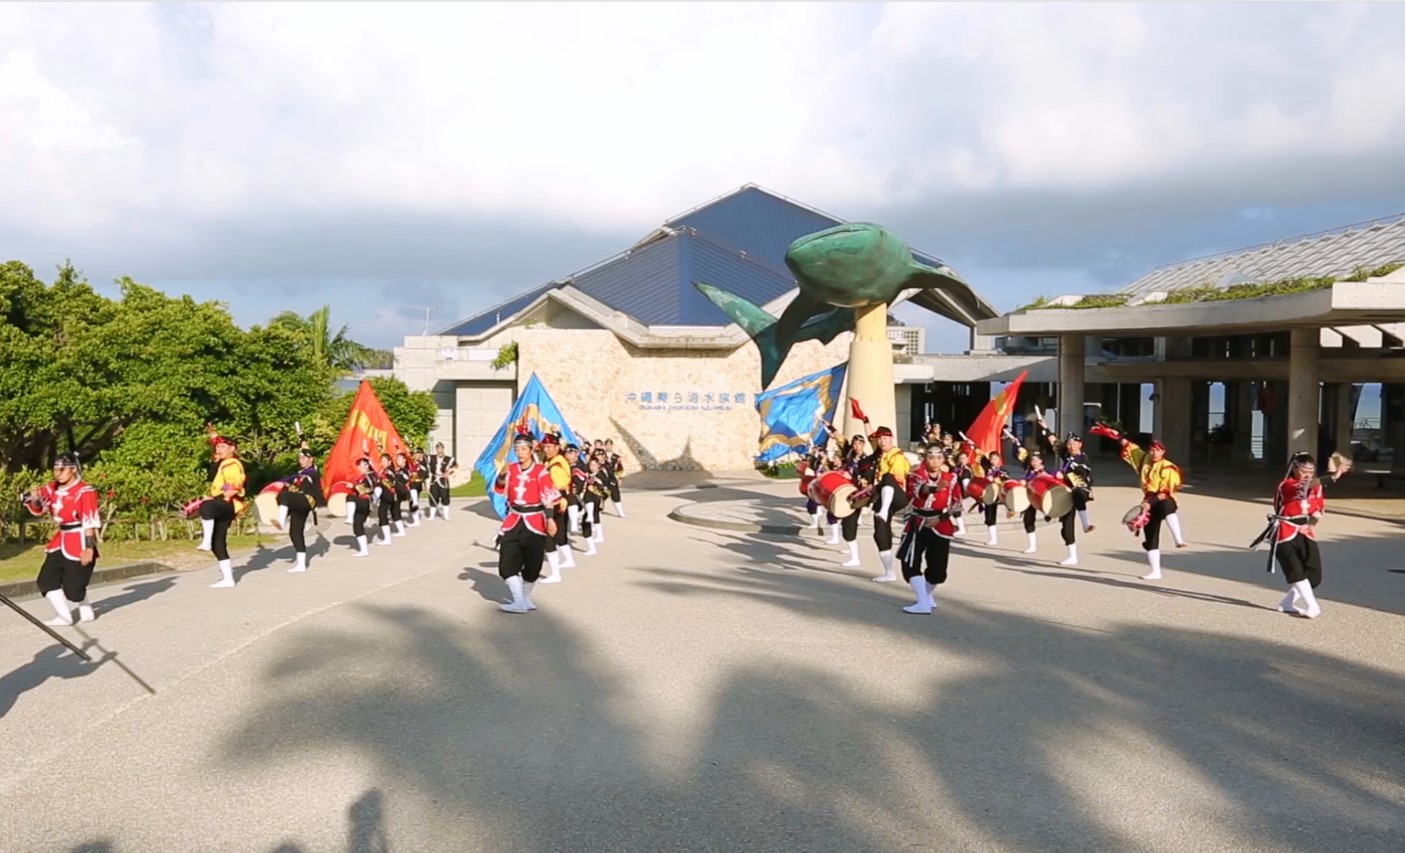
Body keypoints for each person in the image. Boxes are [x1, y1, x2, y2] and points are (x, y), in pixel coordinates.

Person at [1090, 423, 1185, 580]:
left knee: (1167, 507)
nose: (1154, 453)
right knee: (1150, 535)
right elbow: (1129, 446)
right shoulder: (1143, 459)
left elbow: (1165, 492)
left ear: (1163, 452)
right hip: (1147, 499)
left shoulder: (1168, 467)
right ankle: (1155, 571)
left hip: (1162, 498)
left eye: (1158, 450)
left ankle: (1178, 539)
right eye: (1152, 450)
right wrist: (1116, 435)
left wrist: (1149, 504)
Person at [1265, 452, 1350, 618]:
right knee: (1296, 571)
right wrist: (1334, 476)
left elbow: (1318, 510)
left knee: (1314, 575)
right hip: (1284, 530)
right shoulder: (1286, 485)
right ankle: (1313, 606)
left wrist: (1310, 524)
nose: (1308, 475)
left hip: (1305, 531)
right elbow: (1305, 485)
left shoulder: (1316, 487)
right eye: (1304, 471)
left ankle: (1287, 603)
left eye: (1311, 472)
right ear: (1295, 469)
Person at [23, 453, 102, 625]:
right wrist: (35, 499)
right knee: (46, 579)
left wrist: (89, 547)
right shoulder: (52, 488)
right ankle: (64, 616)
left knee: (73, 589)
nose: (58, 473)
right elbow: (39, 505)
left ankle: (83, 603)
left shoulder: (84, 491)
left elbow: (90, 519)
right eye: (55, 469)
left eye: (62, 469)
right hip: (61, 538)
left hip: (79, 538)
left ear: (73, 469)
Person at [494, 432, 562, 613]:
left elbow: (548, 497)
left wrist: (550, 519)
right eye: (517, 449)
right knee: (507, 561)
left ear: (531, 450)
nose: (520, 452)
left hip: (535, 520)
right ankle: (518, 601)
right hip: (514, 519)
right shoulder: (512, 468)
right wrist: (502, 474)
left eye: (523, 449)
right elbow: (501, 488)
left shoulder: (540, 471)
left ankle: (525, 599)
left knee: (533, 563)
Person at [896, 445, 958, 615]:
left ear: (943, 460)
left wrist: (940, 518)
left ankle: (926, 596)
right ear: (925, 459)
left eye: (938, 458)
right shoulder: (916, 475)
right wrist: (933, 488)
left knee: (938, 571)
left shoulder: (951, 478)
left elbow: (957, 505)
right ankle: (923, 602)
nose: (935, 462)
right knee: (909, 562)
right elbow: (917, 491)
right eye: (931, 457)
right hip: (917, 522)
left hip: (940, 524)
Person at [199, 429, 246, 589]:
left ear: (232, 449)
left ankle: (205, 540)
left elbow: (235, 484)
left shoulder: (231, 463)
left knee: (206, 507)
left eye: (223, 447)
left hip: (229, 502)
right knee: (218, 542)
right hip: (224, 501)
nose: (219, 450)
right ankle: (228, 579)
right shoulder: (223, 463)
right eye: (217, 447)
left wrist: (224, 494)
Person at [869, 426, 912, 583]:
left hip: (899, 494)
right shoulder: (880, 455)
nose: (881, 441)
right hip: (884, 493)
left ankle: (885, 510)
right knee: (880, 532)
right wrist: (865, 420)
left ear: (891, 438)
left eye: (885, 438)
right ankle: (889, 572)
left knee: (888, 477)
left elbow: (898, 479)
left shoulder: (897, 456)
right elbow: (870, 437)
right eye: (879, 439)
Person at [273, 444, 324, 573]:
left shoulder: (313, 471)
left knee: (284, 495)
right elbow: (292, 484)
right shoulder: (299, 474)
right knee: (295, 532)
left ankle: (280, 519)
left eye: (303, 458)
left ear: (310, 459)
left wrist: (305, 446)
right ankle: (301, 565)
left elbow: (305, 483)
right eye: (300, 458)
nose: (300, 460)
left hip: (307, 500)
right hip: (298, 503)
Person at [539, 434, 575, 581]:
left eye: (549, 447)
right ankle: (568, 560)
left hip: (556, 502)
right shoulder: (552, 461)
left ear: (557, 447)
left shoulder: (557, 464)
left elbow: (556, 486)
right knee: (559, 535)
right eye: (545, 447)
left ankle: (555, 574)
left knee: (549, 536)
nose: (546, 450)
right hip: (559, 501)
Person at [975, 449, 1009, 546]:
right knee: (989, 516)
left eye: (996, 458)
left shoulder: (1002, 470)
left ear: (999, 459)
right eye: (992, 459)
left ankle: (1010, 510)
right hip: (988, 494)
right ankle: (993, 538)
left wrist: (994, 479)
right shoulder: (986, 469)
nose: (994, 461)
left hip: (999, 494)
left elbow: (1006, 478)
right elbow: (981, 460)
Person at [349, 456, 376, 557]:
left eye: (361, 466)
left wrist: (354, 487)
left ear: (366, 465)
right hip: (362, 501)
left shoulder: (369, 476)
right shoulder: (363, 476)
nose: (359, 468)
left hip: (365, 501)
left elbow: (369, 488)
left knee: (357, 524)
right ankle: (363, 549)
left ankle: (364, 550)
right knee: (358, 524)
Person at [426, 442, 457, 520]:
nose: (439, 450)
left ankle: (446, 515)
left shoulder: (449, 459)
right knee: (433, 496)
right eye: (437, 448)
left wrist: (448, 473)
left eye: (440, 448)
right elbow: (423, 460)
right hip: (434, 479)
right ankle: (431, 515)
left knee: (445, 496)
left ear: (443, 448)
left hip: (443, 480)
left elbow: (455, 467)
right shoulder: (431, 458)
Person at [604, 438, 626, 517]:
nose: (608, 446)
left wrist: (620, 478)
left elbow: (620, 468)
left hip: (613, 477)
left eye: (610, 445)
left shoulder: (616, 457)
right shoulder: (602, 455)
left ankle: (620, 512)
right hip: (603, 476)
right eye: (607, 445)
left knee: (615, 494)